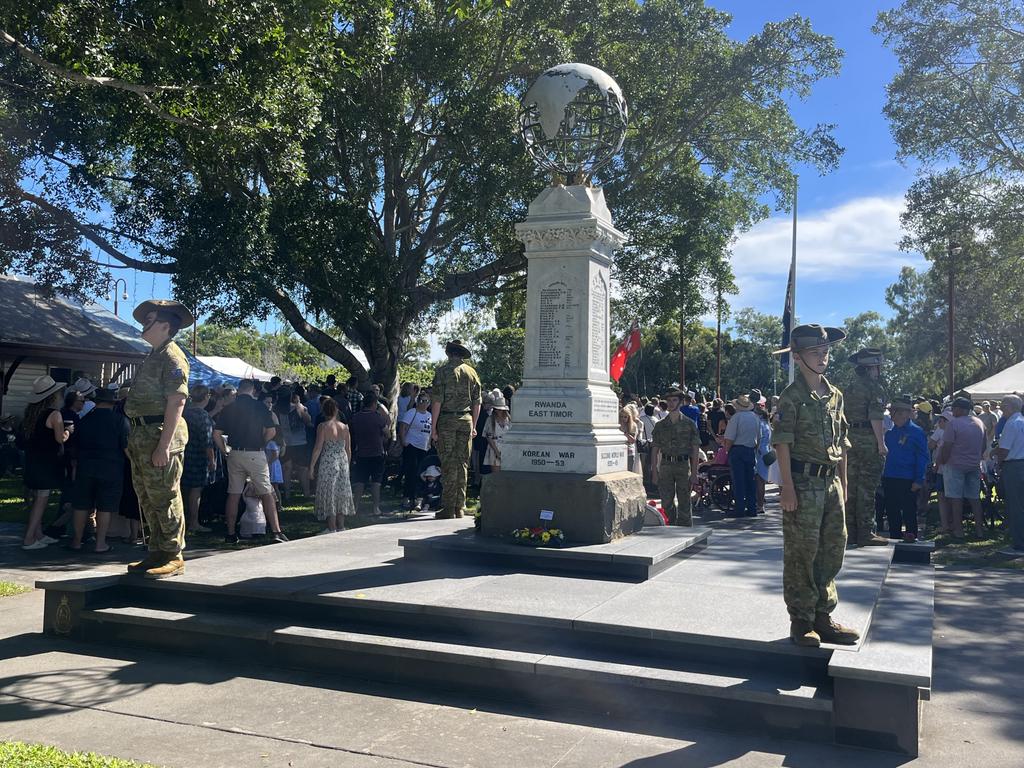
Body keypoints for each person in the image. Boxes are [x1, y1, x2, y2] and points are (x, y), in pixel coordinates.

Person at [772, 323, 859, 648]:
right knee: (801, 552)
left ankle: (824, 616)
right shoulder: (791, 398)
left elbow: (843, 442)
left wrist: (844, 483)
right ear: (797, 357)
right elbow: (782, 443)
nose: (822, 357)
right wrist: (787, 487)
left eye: (825, 352)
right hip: (803, 482)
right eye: (815, 352)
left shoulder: (835, 394)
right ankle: (802, 620)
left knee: (832, 548)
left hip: (830, 483)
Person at [123, 300, 194, 578]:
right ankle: (157, 549)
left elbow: (177, 402)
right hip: (142, 435)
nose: (144, 325)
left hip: (159, 434)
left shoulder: (172, 356)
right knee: (147, 497)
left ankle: (174, 553)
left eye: (149, 319)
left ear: (165, 326)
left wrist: (163, 446)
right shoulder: (154, 355)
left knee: (165, 496)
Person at [214, 379, 288, 544]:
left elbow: (216, 433)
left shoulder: (229, 408)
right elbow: (271, 430)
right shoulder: (259, 407)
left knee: (233, 494)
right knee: (266, 493)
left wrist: (224, 451)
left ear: (239, 390)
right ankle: (276, 531)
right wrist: (262, 442)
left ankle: (231, 533)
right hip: (255, 452)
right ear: (253, 390)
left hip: (235, 453)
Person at [68, 386, 130, 552]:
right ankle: (100, 543)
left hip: (85, 466)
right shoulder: (120, 420)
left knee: (81, 505)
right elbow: (126, 446)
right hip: (111, 467)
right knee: (105, 506)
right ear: (112, 403)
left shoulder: (84, 419)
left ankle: (76, 541)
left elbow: (75, 445)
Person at [430, 339, 482, 519]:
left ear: (449, 353)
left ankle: (448, 506)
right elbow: (477, 403)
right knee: (463, 464)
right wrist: (474, 425)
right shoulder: (472, 373)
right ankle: (460, 506)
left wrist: (433, 428)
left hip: (447, 419)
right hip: (466, 420)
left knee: (448, 463)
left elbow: (436, 401)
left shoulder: (442, 372)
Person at [842, 348, 890, 547]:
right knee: (867, 489)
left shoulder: (849, 387)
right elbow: (875, 417)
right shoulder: (875, 388)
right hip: (868, 440)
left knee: (850, 487)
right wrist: (881, 443)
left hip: (849, 438)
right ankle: (866, 532)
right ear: (873, 367)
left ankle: (850, 531)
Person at [20, 376, 71, 549]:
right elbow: (60, 439)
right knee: (42, 500)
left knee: (37, 499)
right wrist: (68, 432)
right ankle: (29, 539)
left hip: (33, 460)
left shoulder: (30, 413)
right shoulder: (54, 414)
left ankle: (38, 533)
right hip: (47, 464)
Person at [880, 395, 929, 542]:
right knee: (892, 510)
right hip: (890, 476)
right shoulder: (889, 432)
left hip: (908, 478)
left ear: (904, 413)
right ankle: (894, 538)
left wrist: (919, 479)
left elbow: (923, 457)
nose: (891, 415)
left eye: (893, 412)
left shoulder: (917, 432)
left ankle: (911, 538)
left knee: (909, 510)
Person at [650, 389, 701, 526]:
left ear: (680, 402)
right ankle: (670, 526)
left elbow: (695, 449)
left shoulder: (689, 424)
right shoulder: (660, 425)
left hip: (683, 465)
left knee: (684, 500)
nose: (671, 403)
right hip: (666, 464)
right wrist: (654, 471)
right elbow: (655, 449)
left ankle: (684, 530)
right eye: (669, 400)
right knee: (666, 501)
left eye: (674, 400)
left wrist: (695, 473)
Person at [939, 396, 987, 539]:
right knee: (974, 498)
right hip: (974, 464)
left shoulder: (953, 424)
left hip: (955, 465)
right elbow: (983, 445)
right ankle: (979, 530)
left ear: (959, 409)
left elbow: (947, 446)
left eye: (954, 408)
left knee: (956, 499)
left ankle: (958, 530)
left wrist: (943, 461)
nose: (952, 410)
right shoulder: (979, 422)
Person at [309, 397, 355, 532]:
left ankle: (332, 527)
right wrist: (348, 465)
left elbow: (318, 448)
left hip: (328, 462)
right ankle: (341, 526)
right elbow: (348, 449)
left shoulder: (323, 427)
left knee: (330, 493)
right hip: (342, 461)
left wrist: (311, 466)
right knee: (340, 493)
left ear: (324, 411)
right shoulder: (344, 427)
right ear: (336, 411)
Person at [181, 385, 216, 534]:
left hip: (184, 455)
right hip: (198, 457)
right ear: (206, 397)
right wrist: (212, 460)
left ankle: (182, 521)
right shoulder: (203, 416)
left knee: (183, 490)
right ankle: (194, 522)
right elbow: (207, 442)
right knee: (195, 491)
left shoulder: (184, 413)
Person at [349, 391, 388, 515]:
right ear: (374, 403)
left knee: (360, 481)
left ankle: (355, 507)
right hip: (377, 452)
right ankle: (375, 508)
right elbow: (388, 433)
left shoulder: (356, 417)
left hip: (361, 453)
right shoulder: (377, 417)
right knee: (376, 482)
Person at [994, 395, 1024, 556]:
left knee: (1016, 505)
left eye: (1003, 406)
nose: (1001, 409)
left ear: (1010, 407)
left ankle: (1019, 543)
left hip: (1014, 466)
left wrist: (998, 463)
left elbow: (1004, 450)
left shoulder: (1011, 424)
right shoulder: (1022, 421)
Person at [723, 394, 760, 517]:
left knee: (738, 481)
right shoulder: (755, 417)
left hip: (737, 450)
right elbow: (759, 437)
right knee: (750, 481)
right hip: (750, 450)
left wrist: (727, 451)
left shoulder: (736, 418)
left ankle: (739, 509)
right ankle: (752, 508)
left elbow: (729, 438)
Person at [398, 393, 432, 509]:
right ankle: (407, 498)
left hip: (424, 448)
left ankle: (419, 499)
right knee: (410, 473)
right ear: (417, 402)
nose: (424, 403)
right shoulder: (412, 412)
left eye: (426, 401)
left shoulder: (430, 415)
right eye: (422, 401)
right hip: (411, 446)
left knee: (421, 474)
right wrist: (403, 440)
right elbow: (403, 426)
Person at [483, 395, 511, 473]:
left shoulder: (509, 419)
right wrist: (497, 452)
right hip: (494, 447)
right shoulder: (490, 419)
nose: (498, 411)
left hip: (507, 448)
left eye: (500, 409)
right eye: (497, 409)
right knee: (496, 475)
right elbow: (488, 437)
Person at [754, 407, 773, 514]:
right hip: (766, 452)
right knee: (762, 481)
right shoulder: (767, 425)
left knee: (759, 481)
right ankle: (761, 504)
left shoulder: (760, 424)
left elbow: (758, 440)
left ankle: (760, 505)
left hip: (760, 453)